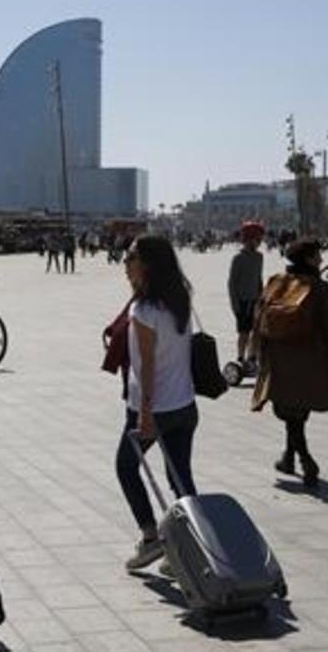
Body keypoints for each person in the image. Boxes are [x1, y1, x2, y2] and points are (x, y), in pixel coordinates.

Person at [114, 235, 199, 572]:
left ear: (146, 264)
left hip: (155, 408)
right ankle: (192, 548)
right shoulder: (179, 299)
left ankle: (151, 539)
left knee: (125, 467)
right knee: (180, 478)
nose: (125, 263)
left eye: (131, 257)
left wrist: (146, 413)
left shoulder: (144, 310)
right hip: (185, 404)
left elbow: (147, 365)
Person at [251, 238, 328, 487]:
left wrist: (256, 351)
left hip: (279, 356)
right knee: (297, 412)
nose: (321, 260)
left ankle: (289, 457)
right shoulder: (318, 287)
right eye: (317, 256)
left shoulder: (275, 281)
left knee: (291, 411)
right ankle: (306, 460)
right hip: (308, 356)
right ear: (308, 259)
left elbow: (258, 317)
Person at [228, 221, 265, 364]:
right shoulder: (238, 259)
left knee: (256, 331)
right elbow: (232, 283)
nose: (259, 243)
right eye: (257, 239)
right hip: (242, 302)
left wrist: (262, 296)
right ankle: (240, 357)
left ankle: (252, 357)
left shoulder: (259, 257)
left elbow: (258, 278)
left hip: (256, 300)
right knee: (244, 333)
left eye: (260, 240)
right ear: (248, 239)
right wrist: (235, 305)